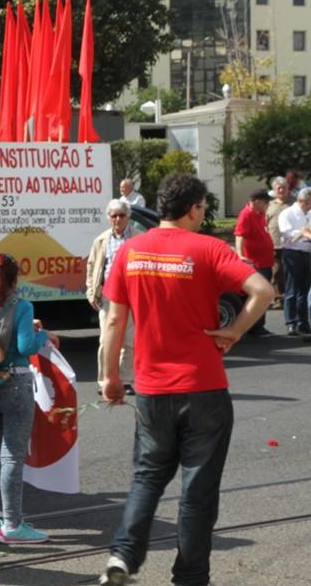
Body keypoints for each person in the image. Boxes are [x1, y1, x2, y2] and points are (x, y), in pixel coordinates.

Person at [98, 174, 273, 586]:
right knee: (198, 491)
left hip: (152, 389)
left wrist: (109, 377)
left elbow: (113, 323)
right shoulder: (208, 248)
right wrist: (235, 331)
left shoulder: (131, 251)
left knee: (147, 478)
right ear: (194, 209)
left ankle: (123, 556)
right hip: (204, 387)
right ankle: (190, 578)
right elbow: (263, 291)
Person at [0, 254, 57, 545]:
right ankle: (13, 525)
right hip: (14, 383)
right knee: (12, 456)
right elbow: (26, 346)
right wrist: (44, 335)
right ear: (14, 278)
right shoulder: (21, 306)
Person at [86, 199, 135, 396]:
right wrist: (91, 291)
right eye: (113, 215)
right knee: (106, 340)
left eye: (121, 215)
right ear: (108, 218)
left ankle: (126, 380)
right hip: (108, 296)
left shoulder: (138, 238)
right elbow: (91, 266)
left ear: (128, 217)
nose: (117, 219)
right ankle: (104, 380)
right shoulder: (101, 240)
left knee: (129, 341)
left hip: (131, 296)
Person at [234, 189, 274, 336]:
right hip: (256, 262)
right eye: (265, 202)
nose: (267, 204)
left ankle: (258, 326)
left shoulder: (260, 213)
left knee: (264, 294)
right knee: (259, 294)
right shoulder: (246, 214)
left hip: (265, 261)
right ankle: (255, 328)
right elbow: (239, 235)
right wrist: (240, 255)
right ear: (256, 201)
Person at [277, 186, 311, 336]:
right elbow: (287, 233)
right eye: (309, 203)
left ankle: (303, 323)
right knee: (292, 289)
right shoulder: (287, 213)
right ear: (301, 201)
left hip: (307, 253)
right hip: (293, 253)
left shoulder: (309, 213)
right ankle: (291, 323)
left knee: (305, 290)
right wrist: (304, 233)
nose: (310, 206)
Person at [266, 176, 292, 309]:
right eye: (279, 188)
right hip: (274, 245)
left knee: (292, 272)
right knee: (276, 273)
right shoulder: (269, 205)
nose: (281, 190)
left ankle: (293, 297)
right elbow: (264, 224)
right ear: (274, 190)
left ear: (288, 189)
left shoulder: (293, 204)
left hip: (292, 245)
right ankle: (279, 299)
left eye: (284, 188)